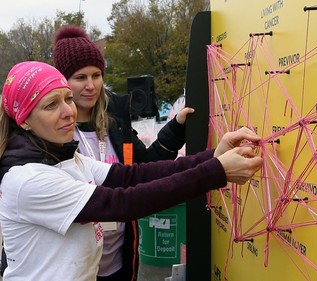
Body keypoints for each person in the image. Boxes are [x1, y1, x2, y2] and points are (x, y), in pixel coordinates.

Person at [0, 61, 262, 280]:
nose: (68, 111)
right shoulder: (28, 180)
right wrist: (216, 171)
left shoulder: (66, 157)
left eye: (67, 98)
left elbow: (132, 175)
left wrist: (213, 157)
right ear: (23, 121)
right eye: (50, 105)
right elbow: (122, 203)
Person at [51, 25, 193, 280]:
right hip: (73, 267)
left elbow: (144, 168)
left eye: (96, 75)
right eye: (80, 77)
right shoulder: (52, 133)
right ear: (63, 82)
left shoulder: (115, 120)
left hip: (118, 261)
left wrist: (176, 128)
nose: (91, 85)